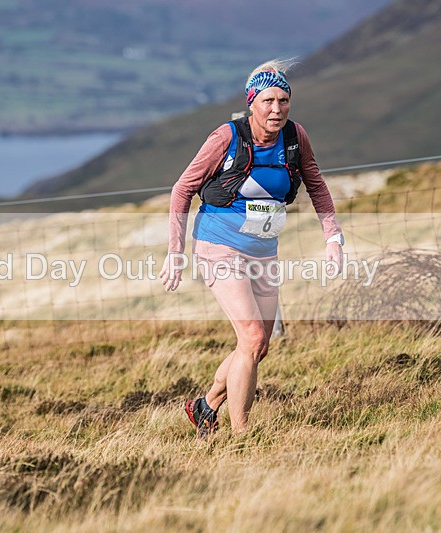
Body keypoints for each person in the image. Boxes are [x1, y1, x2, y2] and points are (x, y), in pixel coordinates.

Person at [160, 59, 344, 438]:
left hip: (263, 251)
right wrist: (175, 252)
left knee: (259, 347)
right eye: (267, 101)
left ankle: (206, 405)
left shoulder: (296, 138)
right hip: (218, 245)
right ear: (251, 103)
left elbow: (317, 185)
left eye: (283, 100)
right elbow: (182, 189)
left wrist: (333, 238)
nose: (276, 109)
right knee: (253, 337)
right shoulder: (226, 138)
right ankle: (242, 436)